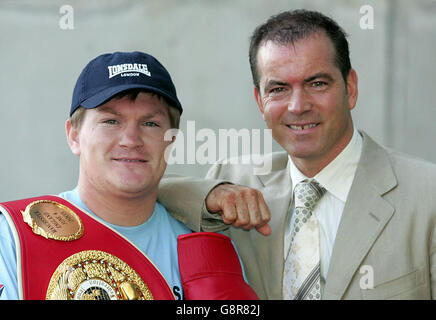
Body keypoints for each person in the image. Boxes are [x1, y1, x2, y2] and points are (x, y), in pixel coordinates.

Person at [158, 9, 436, 299]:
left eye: (317, 83)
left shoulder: (427, 195)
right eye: (278, 89)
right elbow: (143, 190)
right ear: (260, 101)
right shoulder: (233, 182)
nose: (298, 106)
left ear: (350, 88)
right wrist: (213, 194)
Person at [0, 51, 259, 300]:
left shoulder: (211, 250)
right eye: (111, 121)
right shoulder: (13, 238)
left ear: (171, 141)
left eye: (150, 124)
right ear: (74, 135)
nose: (131, 140)